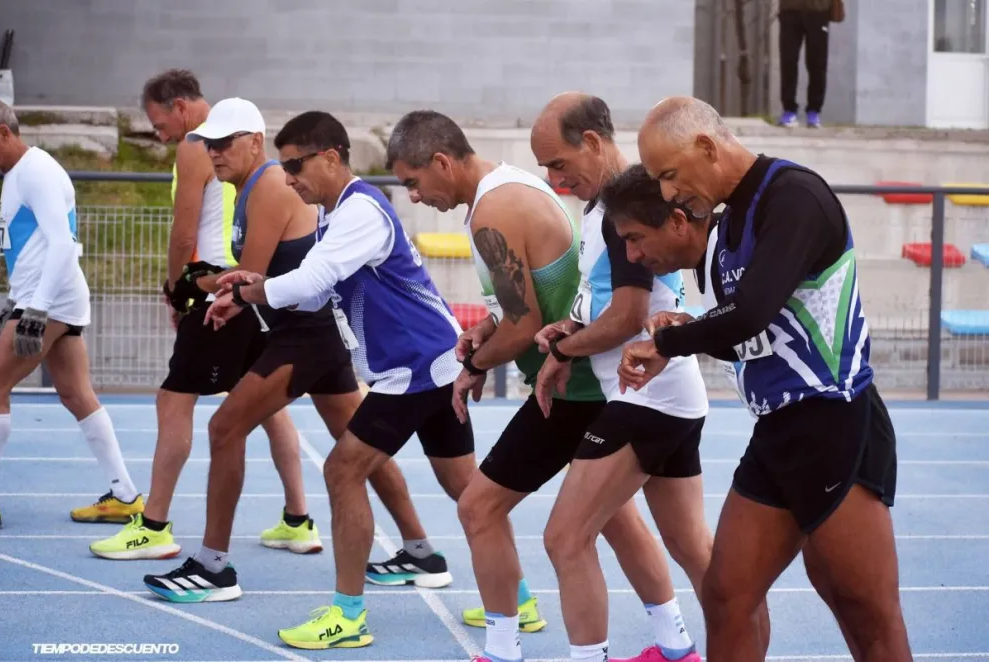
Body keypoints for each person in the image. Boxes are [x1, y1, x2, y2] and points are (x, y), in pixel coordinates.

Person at [613, 96, 909, 661]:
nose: (669, 193)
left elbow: (753, 310)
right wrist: (686, 330)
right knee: (726, 596)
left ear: (706, 146)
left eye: (669, 176)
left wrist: (670, 342)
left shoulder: (794, 197)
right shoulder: (730, 225)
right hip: (781, 430)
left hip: (832, 421)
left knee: (863, 609)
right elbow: (752, 331)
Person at [386, 109, 681, 662]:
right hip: (585, 380)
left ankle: (503, 649)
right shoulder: (508, 188)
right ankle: (677, 642)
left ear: (442, 162)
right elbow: (526, 307)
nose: (415, 196)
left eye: (413, 182)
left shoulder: (492, 213)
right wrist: (488, 327)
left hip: (575, 388)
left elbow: (527, 326)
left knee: (481, 508)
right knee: (616, 520)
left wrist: (471, 368)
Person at [205, 110, 476, 648]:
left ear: (331, 156)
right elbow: (309, 289)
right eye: (283, 168)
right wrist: (257, 283)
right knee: (466, 488)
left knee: (341, 471)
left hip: (416, 367)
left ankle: (348, 616)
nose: (288, 178)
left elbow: (314, 277)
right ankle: (516, 599)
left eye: (295, 165)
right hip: (436, 359)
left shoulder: (360, 211)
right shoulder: (338, 213)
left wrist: (244, 294)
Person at [88, 69, 321, 560]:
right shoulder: (228, 145)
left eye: (158, 123)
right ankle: (298, 520)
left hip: (219, 284)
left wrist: (178, 289)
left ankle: (153, 527)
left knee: (174, 401)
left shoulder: (197, 146)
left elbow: (182, 229)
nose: (159, 134)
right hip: (240, 281)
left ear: (179, 106)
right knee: (266, 404)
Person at [140, 97, 362, 602]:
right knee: (358, 444)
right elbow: (259, 280)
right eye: (209, 144)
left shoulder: (268, 188)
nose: (213, 153)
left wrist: (205, 288)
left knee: (224, 424)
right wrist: (222, 290)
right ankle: (419, 549)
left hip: (306, 335)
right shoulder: (247, 190)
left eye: (223, 143)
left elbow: (257, 277)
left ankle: (210, 561)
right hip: (300, 331)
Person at [529, 93, 715, 662]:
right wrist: (572, 326)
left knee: (564, 538)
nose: (555, 179)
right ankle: (687, 647)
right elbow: (617, 303)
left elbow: (630, 316)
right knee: (689, 546)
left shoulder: (624, 213)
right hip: (672, 396)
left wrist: (565, 345)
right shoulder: (607, 210)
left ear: (592, 142)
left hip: (647, 397)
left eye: (559, 165)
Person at [0, 99, 141, 529]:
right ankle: (126, 495)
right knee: (77, 395)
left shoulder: (35, 171)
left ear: (4, 133)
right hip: (52, 296)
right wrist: (14, 298)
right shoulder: (17, 176)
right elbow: (30, 246)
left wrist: (35, 310)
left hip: (49, 300)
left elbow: (61, 244)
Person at [777, 0, 837, 128]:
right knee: (788, 60)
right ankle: (789, 110)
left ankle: (814, 111)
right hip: (790, 9)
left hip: (818, 10)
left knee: (817, 63)